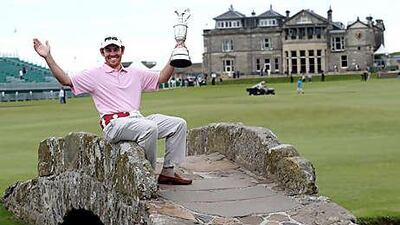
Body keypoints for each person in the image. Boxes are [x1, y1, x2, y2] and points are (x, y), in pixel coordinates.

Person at [33, 36, 192, 185]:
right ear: (102, 53)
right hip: (114, 124)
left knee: (178, 124)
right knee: (150, 128)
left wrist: (175, 56)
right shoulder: (94, 75)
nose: (112, 53)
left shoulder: (135, 73)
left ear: (122, 50)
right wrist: (48, 57)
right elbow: (66, 80)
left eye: (116, 49)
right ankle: (147, 176)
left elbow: (162, 78)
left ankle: (168, 172)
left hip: (137, 119)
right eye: (108, 50)